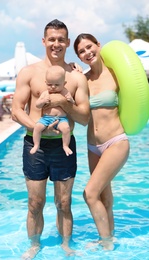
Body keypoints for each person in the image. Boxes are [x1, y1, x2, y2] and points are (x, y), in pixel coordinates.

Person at [11, 19, 90, 259]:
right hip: (35, 146)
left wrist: (62, 103)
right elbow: (16, 110)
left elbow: (85, 118)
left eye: (61, 39)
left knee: (63, 202)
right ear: (44, 41)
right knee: (35, 202)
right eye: (52, 39)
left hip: (63, 146)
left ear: (67, 42)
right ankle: (34, 245)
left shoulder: (77, 77)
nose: (56, 44)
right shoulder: (29, 72)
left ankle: (66, 245)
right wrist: (37, 126)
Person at [73, 33, 130, 250]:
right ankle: (109, 236)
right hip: (93, 146)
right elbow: (80, 113)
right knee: (104, 196)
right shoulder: (84, 80)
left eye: (89, 47)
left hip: (115, 141)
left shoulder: (117, 75)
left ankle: (106, 244)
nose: (87, 53)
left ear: (98, 45)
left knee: (90, 193)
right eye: (81, 51)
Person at [30, 65, 75, 156]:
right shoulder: (45, 93)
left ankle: (65, 146)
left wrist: (71, 100)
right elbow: (37, 105)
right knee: (37, 127)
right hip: (46, 118)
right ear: (45, 83)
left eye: (57, 85)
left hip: (61, 119)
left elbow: (72, 104)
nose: (53, 87)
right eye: (49, 84)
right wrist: (42, 101)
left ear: (64, 83)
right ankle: (36, 145)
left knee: (66, 129)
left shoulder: (65, 92)